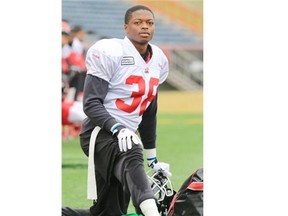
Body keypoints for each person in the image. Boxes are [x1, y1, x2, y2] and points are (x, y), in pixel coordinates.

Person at [78, 5, 171, 216]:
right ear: (126, 27)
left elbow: (149, 110)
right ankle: (152, 212)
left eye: (149, 23)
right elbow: (91, 104)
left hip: (126, 134)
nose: (144, 27)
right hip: (100, 133)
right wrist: (118, 128)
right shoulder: (111, 52)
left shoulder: (159, 59)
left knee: (109, 212)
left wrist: (153, 157)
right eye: (138, 23)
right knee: (132, 151)